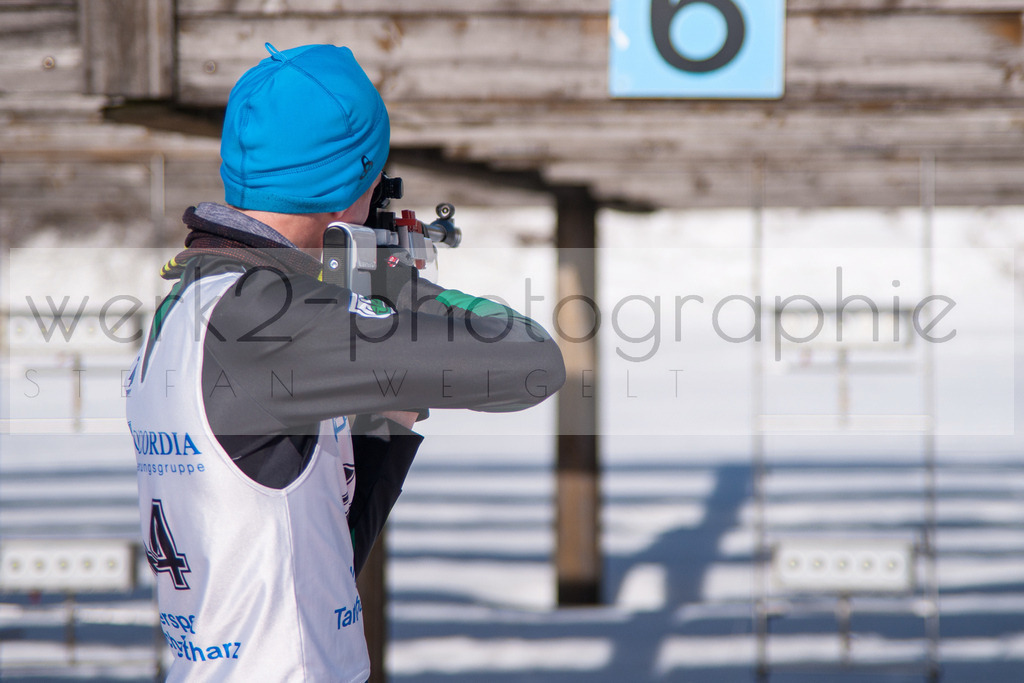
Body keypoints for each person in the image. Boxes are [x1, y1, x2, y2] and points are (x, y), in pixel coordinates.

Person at [125, 43, 565, 682]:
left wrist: (385, 417)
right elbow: (531, 360)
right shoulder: (271, 316)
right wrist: (402, 293)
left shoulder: (193, 304)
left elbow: (316, 559)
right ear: (349, 188)